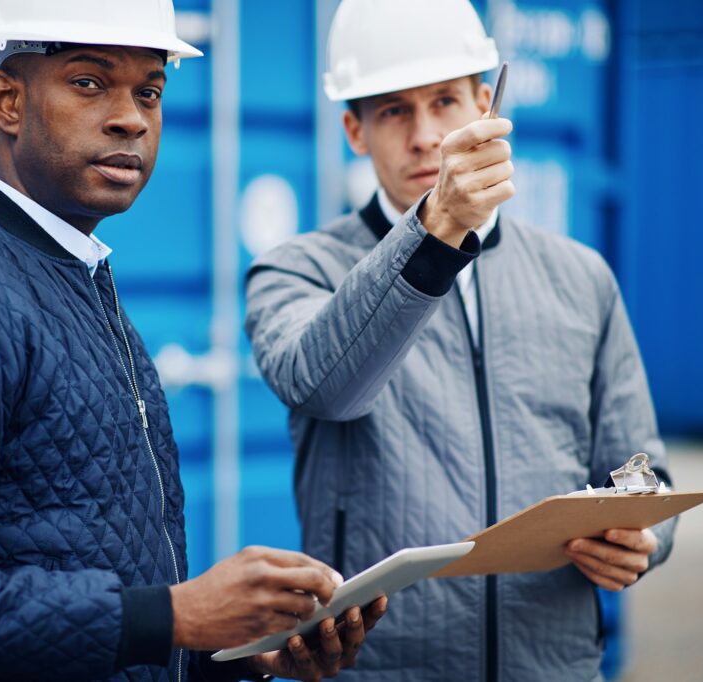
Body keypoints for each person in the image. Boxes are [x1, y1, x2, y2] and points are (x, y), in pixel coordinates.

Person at [0, 2, 386, 680]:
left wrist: (229, 654)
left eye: (150, 90)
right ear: (6, 100)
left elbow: (88, 573)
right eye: (89, 82)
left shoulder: (72, 278)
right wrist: (175, 616)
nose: (131, 117)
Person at [243, 0, 675, 679]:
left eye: (445, 101)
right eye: (393, 111)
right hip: (385, 668)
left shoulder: (581, 276)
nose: (425, 136)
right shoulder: (298, 268)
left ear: (485, 104)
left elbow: (640, 466)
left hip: (553, 663)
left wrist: (647, 533)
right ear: (354, 130)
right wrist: (435, 232)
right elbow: (325, 388)